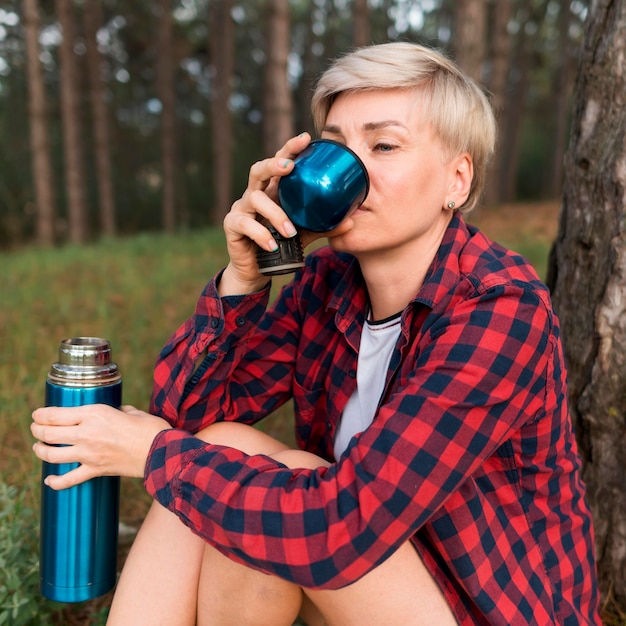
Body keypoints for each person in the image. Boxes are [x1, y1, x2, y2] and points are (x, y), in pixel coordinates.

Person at [31, 42, 601, 625]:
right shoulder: (331, 282)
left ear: (457, 179)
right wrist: (244, 277)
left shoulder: (499, 308)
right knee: (233, 453)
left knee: (284, 489)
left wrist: (149, 453)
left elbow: (342, 528)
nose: (345, 173)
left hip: (484, 608)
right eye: (335, 147)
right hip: (376, 585)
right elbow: (189, 416)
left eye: (383, 145)